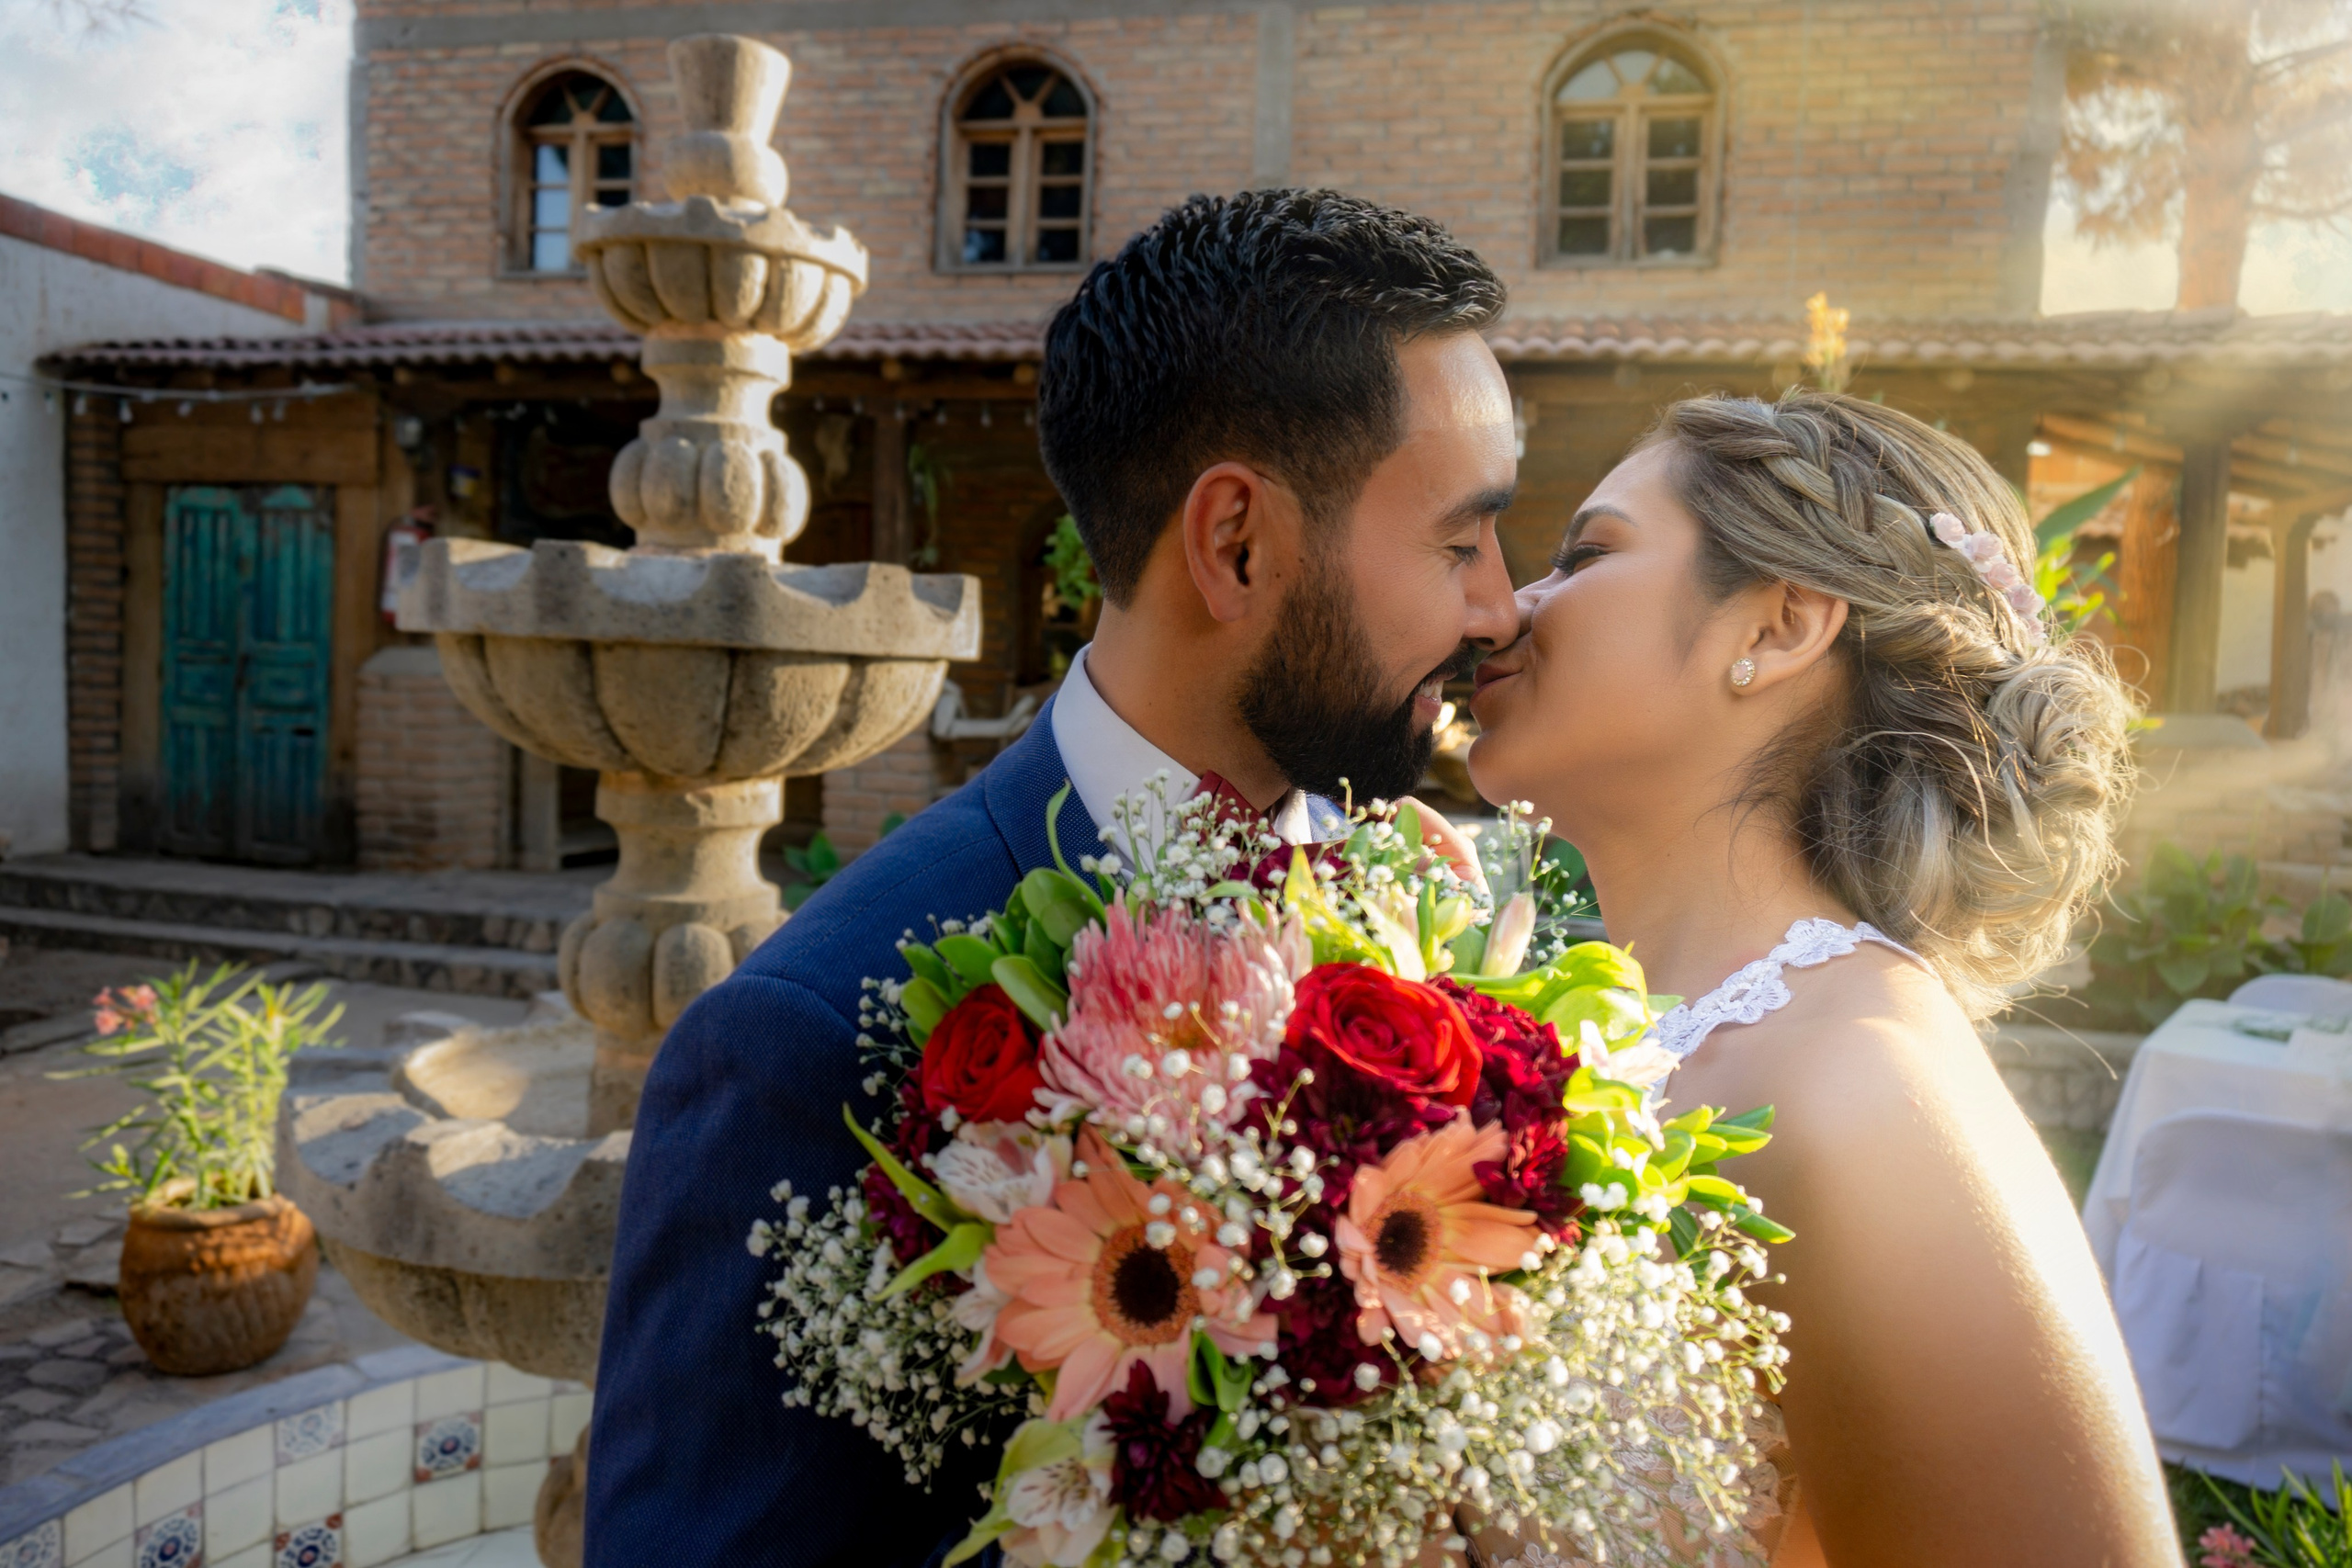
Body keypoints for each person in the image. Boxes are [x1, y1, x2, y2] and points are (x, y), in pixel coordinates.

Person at [583, 188, 1520, 1568]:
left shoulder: (1423, 904)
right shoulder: (803, 1039)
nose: (1498, 604)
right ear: (1237, 543)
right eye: (1460, 540)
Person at [1464, 390, 2177, 1566]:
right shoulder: (1613, 1029)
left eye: (1585, 555)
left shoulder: (1861, 1091)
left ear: (1779, 626)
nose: (1506, 610)